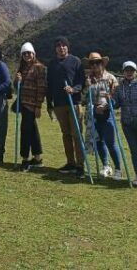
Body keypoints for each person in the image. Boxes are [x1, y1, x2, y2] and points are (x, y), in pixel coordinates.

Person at [45, 36, 85, 176]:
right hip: (59, 104)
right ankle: (70, 163)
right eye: (58, 45)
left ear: (67, 47)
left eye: (63, 45)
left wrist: (73, 89)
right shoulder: (52, 64)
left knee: (77, 134)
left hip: (73, 103)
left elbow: (81, 82)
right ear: (55, 48)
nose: (61, 48)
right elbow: (49, 85)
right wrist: (49, 103)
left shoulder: (76, 61)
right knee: (66, 134)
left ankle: (80, 166)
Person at [83, 52, 123, 180]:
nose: (94, 65)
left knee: (111, 142)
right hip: (93, 114)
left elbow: (116, 97)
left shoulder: (111, 78)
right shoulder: (88, 79)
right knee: (99, 141)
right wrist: (87, 88)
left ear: (102, 64)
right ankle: (106, 166)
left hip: (107, 114)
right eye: (92, 63)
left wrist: (106, 106)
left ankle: (118, 169)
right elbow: (83, 99)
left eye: (97, 63)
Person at [15, 42, 48, 171]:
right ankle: (38, 158)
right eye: (24, 53)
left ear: (34, 54)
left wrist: (38, 106)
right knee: (32, 131)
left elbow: (41, 88)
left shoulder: (39, 68)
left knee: (25, 131)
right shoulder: (22, 68)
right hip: (23, 104)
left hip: (32, 105)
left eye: (29, 53)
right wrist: (17, 80)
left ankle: (25, 159)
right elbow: (16, 87)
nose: (27, 55)